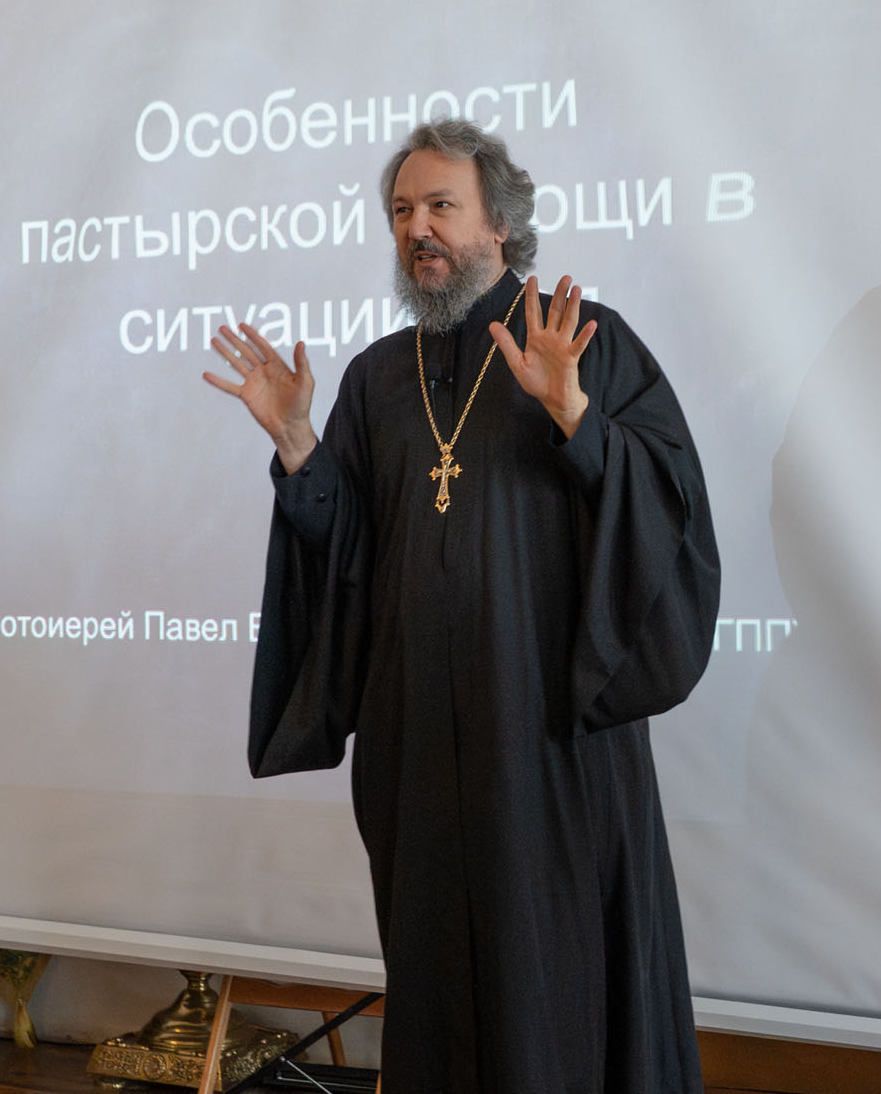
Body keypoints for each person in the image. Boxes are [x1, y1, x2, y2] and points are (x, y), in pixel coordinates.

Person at [204, 120, 720, 1093]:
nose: (417, 228)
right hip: (418, 758)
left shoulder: (585, 342)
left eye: (441, 205)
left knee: (557, 986)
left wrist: (575, 416)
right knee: (437, 989)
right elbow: (349, 554)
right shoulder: (376, 378)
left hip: (548, 747)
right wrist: (301, 446)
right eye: (402, 210)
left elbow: (666, 512)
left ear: (500, 224)